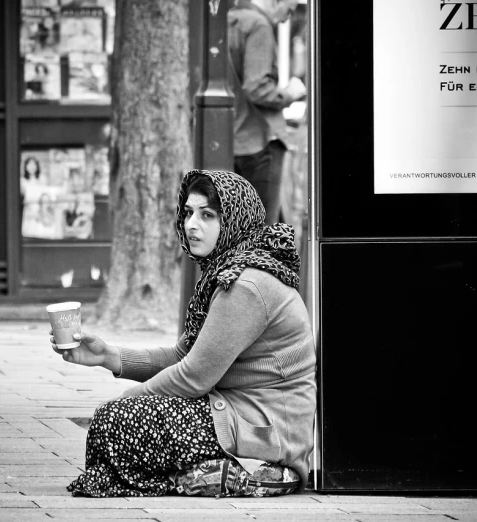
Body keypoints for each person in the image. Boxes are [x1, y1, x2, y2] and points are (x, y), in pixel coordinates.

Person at [50, 169, 317, 497]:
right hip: (238, 414)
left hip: (268, 433)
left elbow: (194, 376)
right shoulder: (228, 272)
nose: (191, 224)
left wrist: (129, 400)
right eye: (188, 213)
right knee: (117, 421)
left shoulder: (246, 284)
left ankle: (228, 475)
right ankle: (202, 475)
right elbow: (185, 355)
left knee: (116, 420)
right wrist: (109, 357)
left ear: (235, 219)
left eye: (207, 215)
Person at [228, 0, 307, 224]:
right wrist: (290, 93)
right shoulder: (259, 25)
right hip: (261, 141)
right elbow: (256, 88)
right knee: (262, 232)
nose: (286, 19)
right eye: (289, 10)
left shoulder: (229, 21)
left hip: (234, 140)